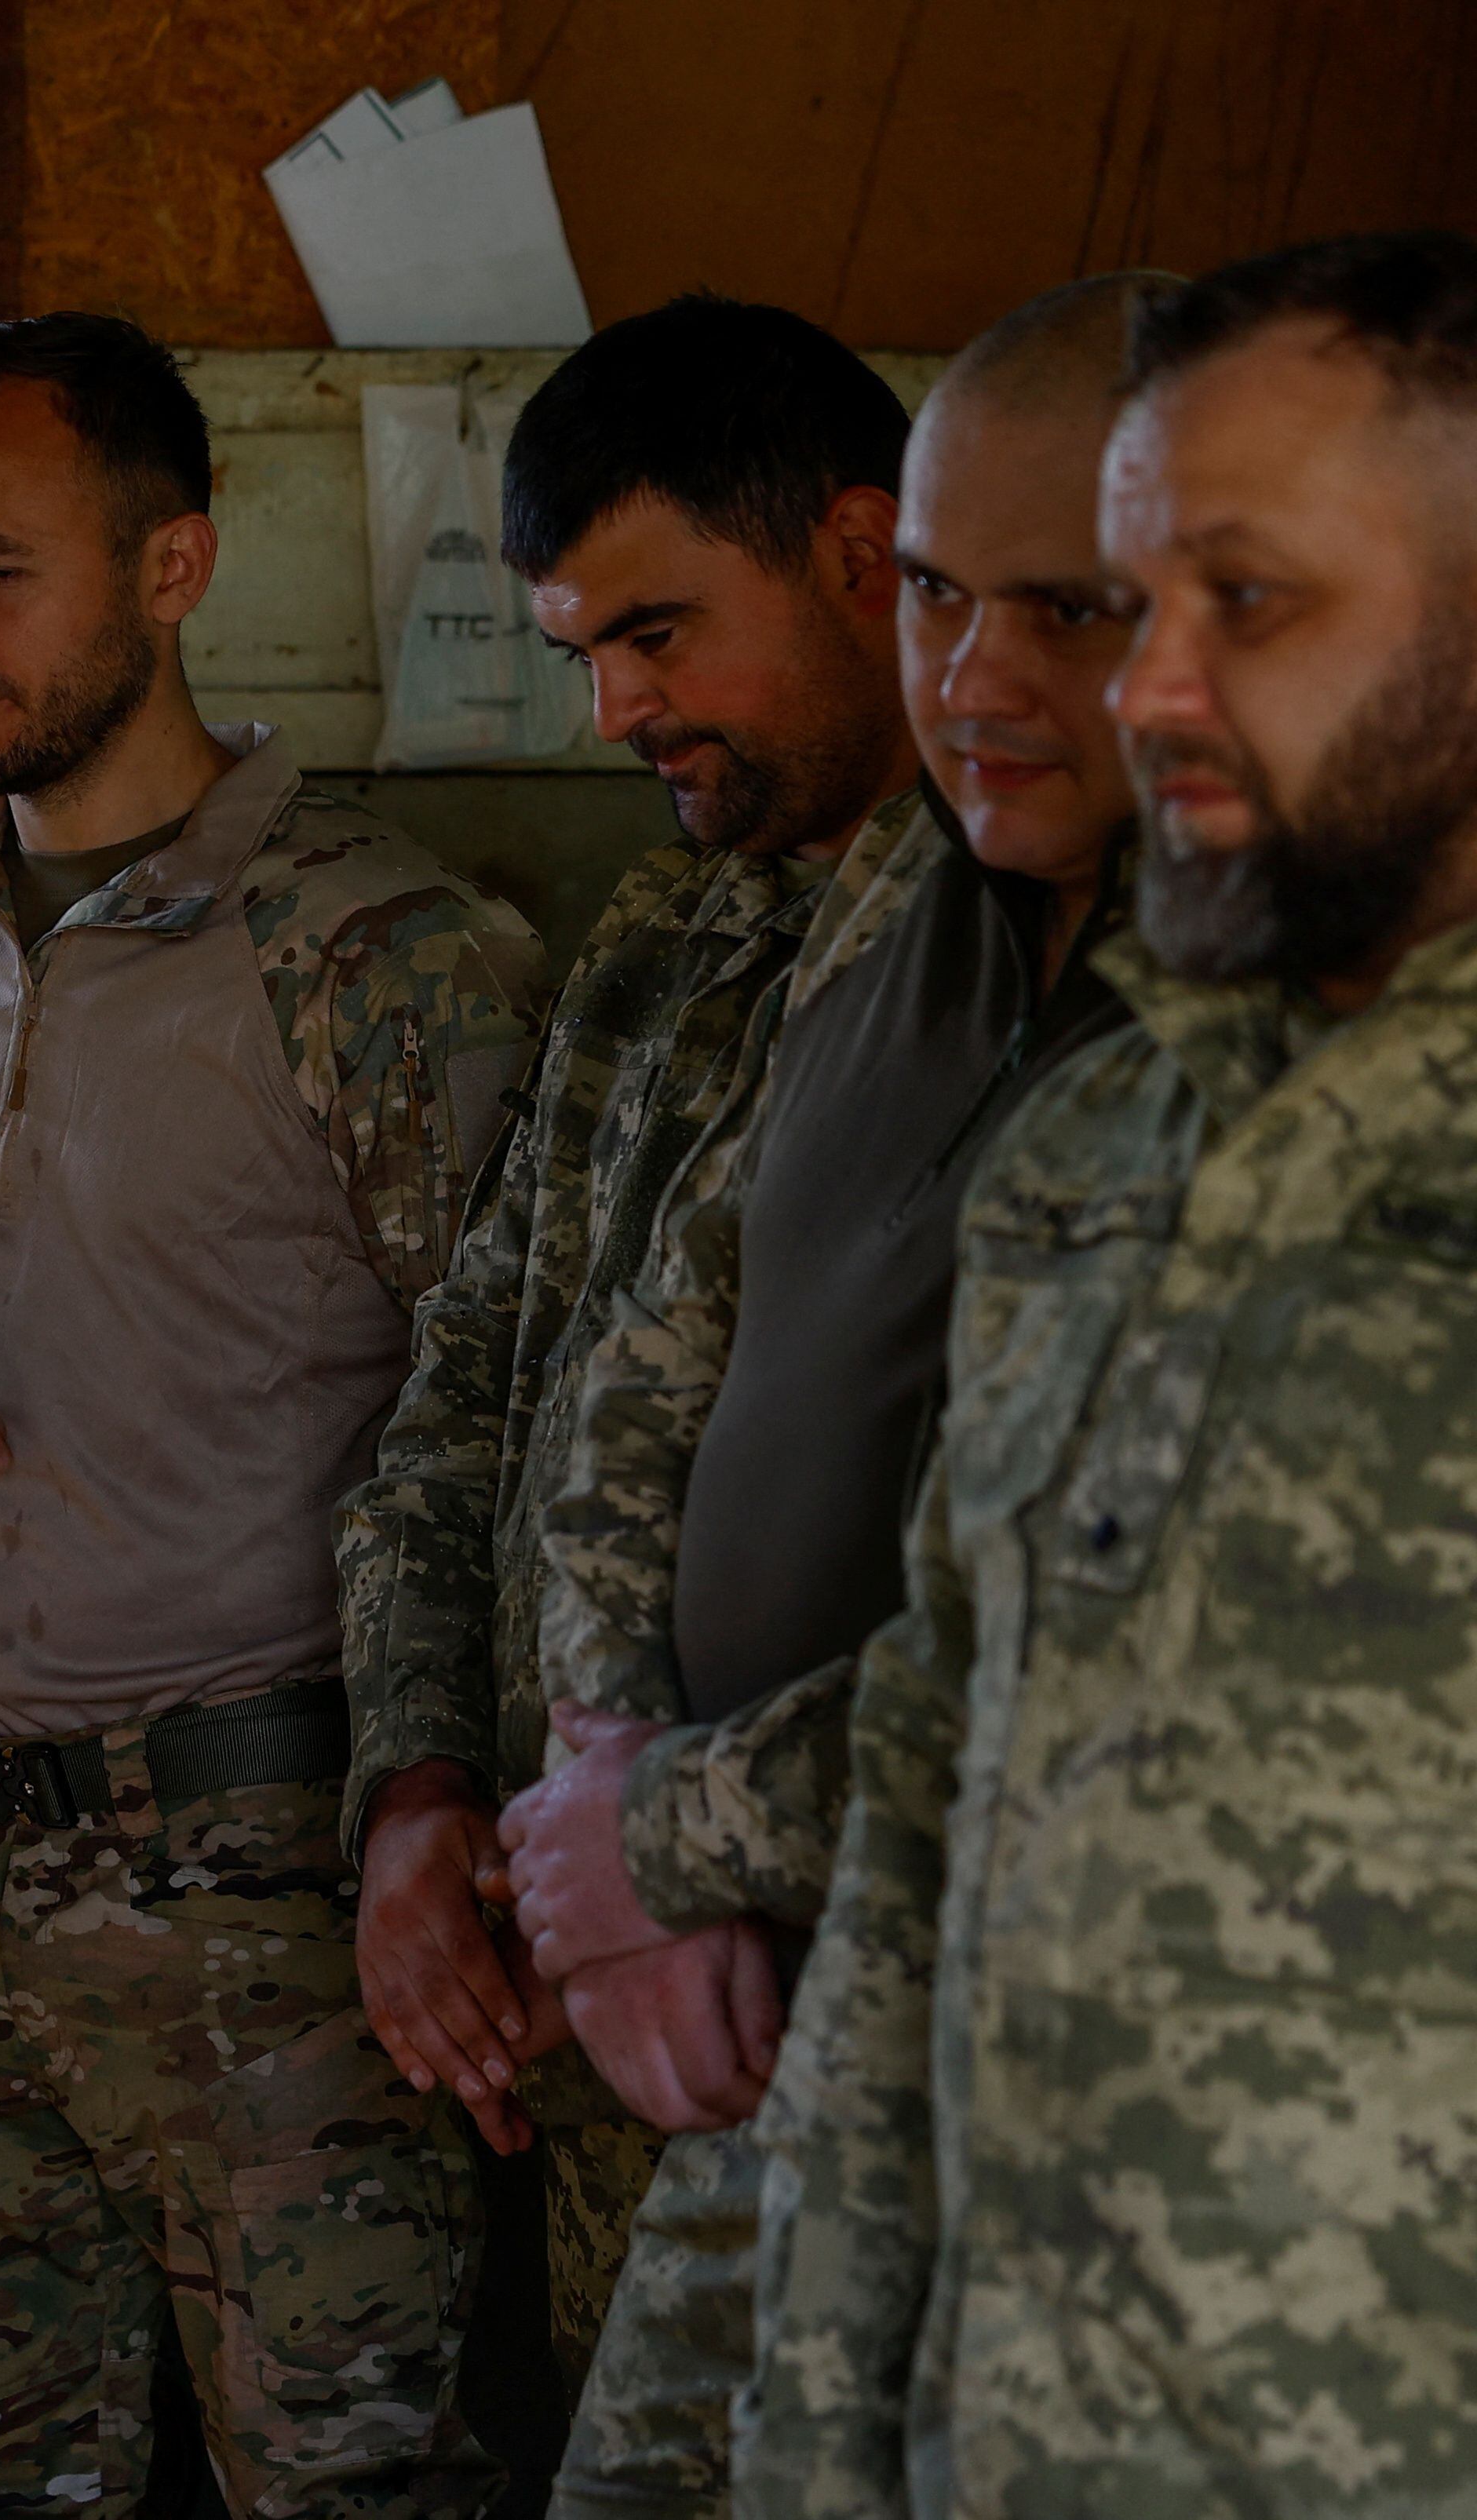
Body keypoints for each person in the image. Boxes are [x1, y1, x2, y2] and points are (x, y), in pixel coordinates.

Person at [0, 309, 540, 2516]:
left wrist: (440, 1819)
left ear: (172, 569)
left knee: (351, 2488)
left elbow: (523, 1422)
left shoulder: (371, 949)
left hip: (273, 1877)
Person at [742, 228, 1477, 2517]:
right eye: (1123, 602)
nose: (1137, 695)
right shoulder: (1106, 1139)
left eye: (1237, 604)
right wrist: (819, 2452)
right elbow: (915, 1871)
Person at [487, 272, 1162, 2519]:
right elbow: (639, 1376)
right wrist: (603, 1786)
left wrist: (655, 1836)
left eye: (1055, 606)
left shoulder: (1267, 1029)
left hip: (1059, 2039)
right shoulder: (908, 921)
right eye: (942, 604)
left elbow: (1092, 1619)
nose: (966, 673)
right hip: (780, 2008)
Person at [335, 293, 922, 2426]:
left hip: (841, 1982)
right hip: (580, 1977)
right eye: (585, 649)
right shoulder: (663, 943)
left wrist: (679, 1845)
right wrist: (413, 1798)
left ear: (867, 554)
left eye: (659, 633)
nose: (612, 712)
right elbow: (473, 1406)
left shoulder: (1062, 959)